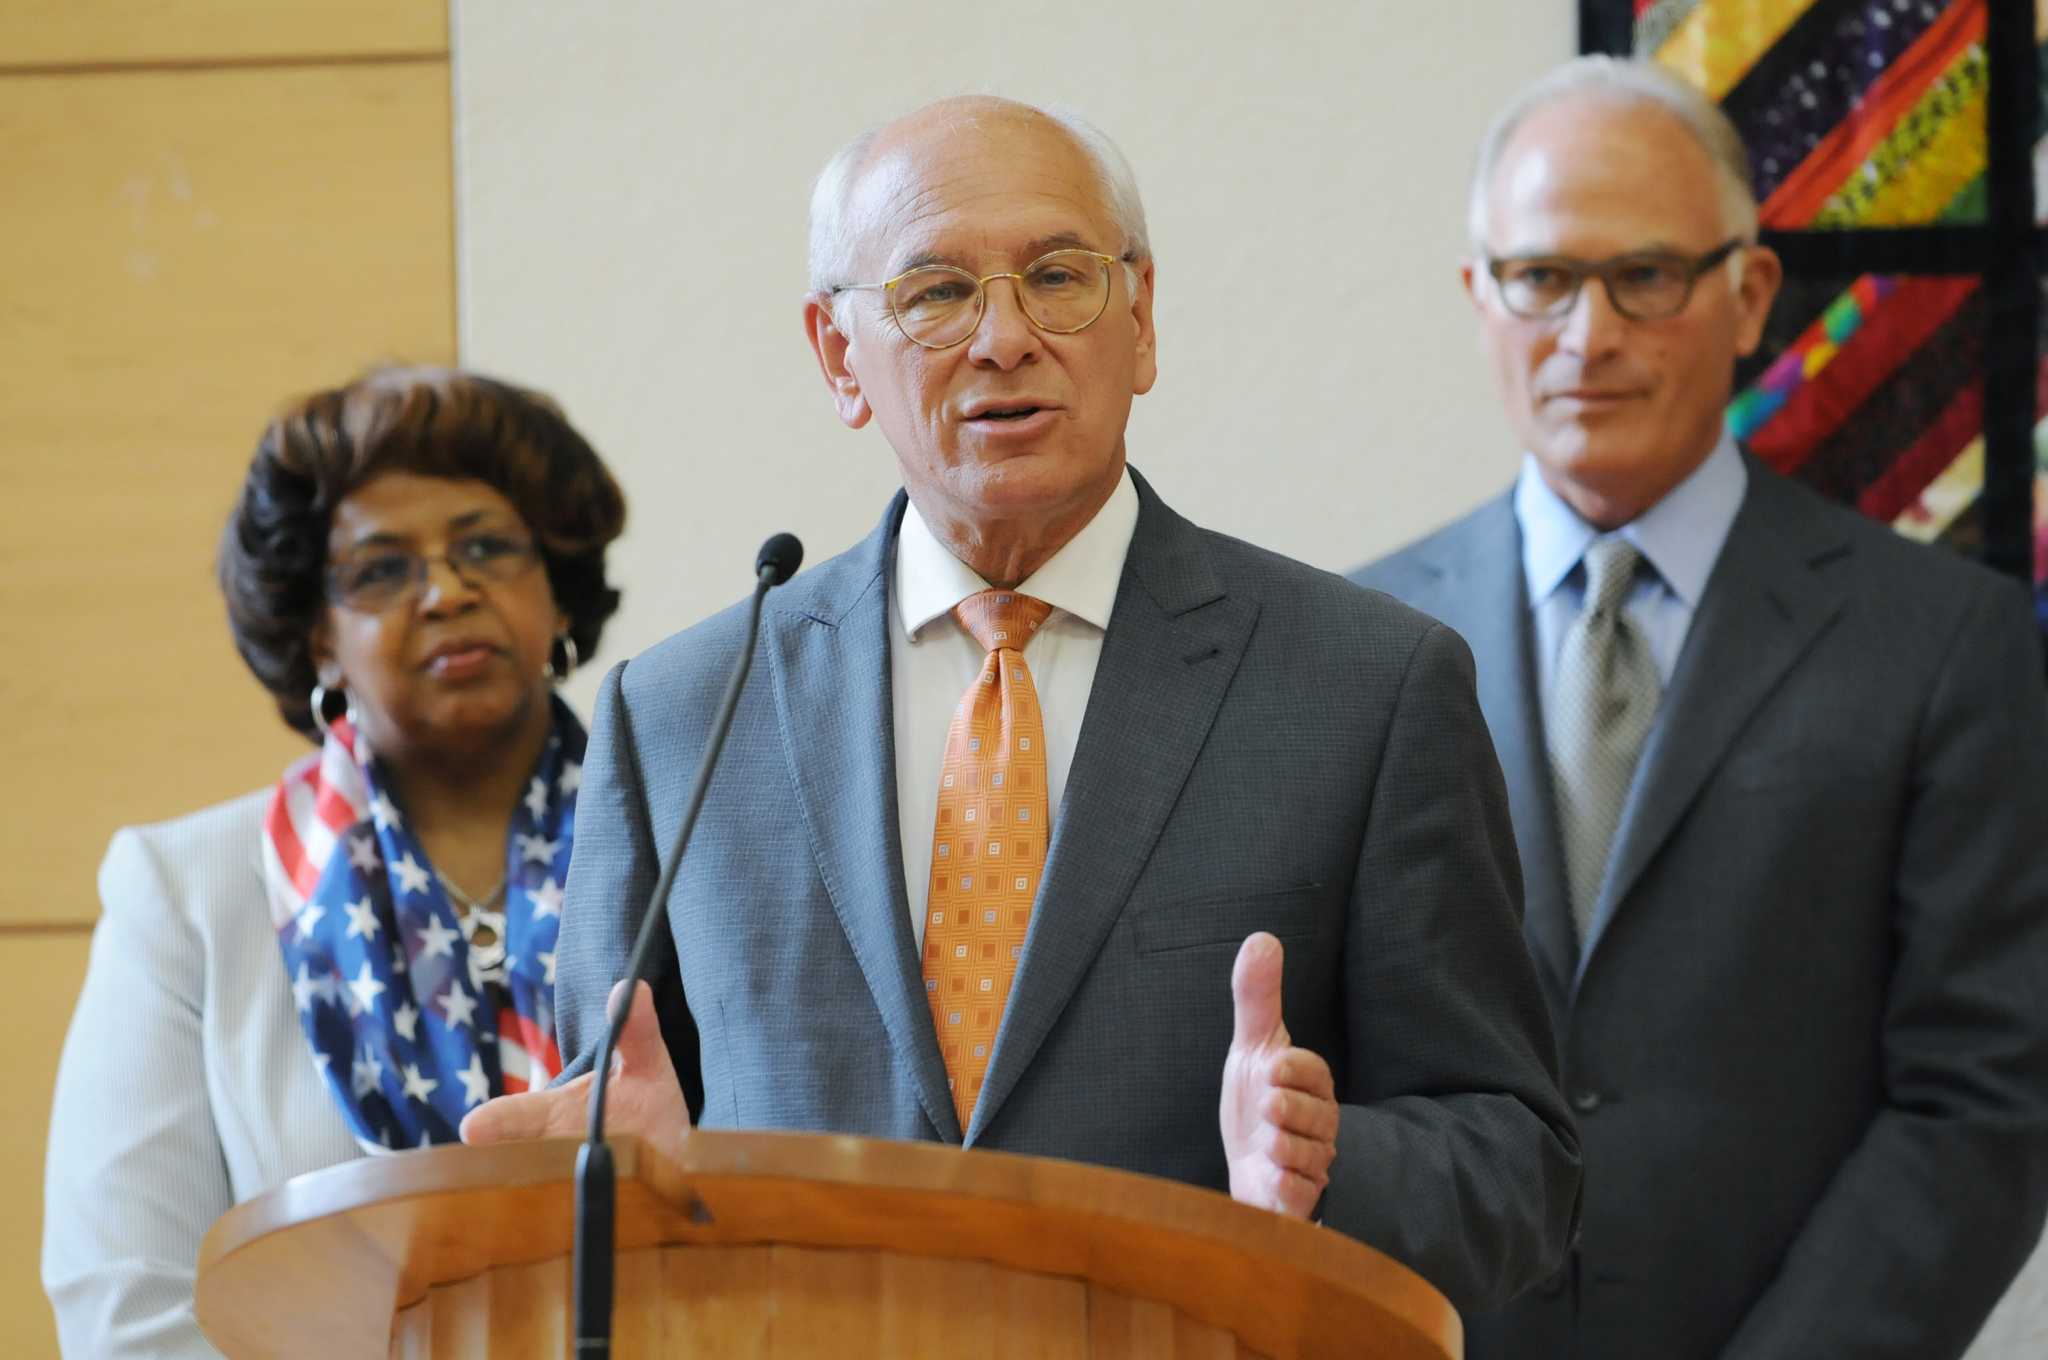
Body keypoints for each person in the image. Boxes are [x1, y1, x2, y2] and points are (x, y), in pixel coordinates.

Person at [462, 95, 1581, 1313]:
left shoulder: (1364, 686)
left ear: (1141, 320)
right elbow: (609, 1131)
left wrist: (1330, 1168)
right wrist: (613, 1202)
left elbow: (1516, 1167)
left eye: (1058, 277)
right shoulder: (683, 715)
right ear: (839, 357)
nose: (1003, 337)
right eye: (935, 292)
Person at [1353, 57, 2048, 1359]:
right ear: (1478, 296)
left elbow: (1984, 1099)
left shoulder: (1947, 643)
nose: (1588, 336)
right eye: (1542, 278)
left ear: (1750, 295)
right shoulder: (1356, 639)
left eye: (1647, 277)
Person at [42, 367, 628, 1357]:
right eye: (381, 570)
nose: (446, 591)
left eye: (486, 546)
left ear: (555, 590)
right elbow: (128, 1307)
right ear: (318, 637)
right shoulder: (188, 894)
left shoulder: (685, 846)